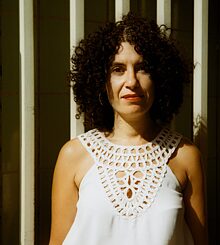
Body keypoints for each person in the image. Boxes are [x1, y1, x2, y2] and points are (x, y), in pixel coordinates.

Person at [49, 12, 208, 245]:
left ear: (160, 78)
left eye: (143, 68)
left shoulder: (185, 157)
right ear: (101, 81)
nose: (131, 81)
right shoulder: (73, 155)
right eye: (118, 69)